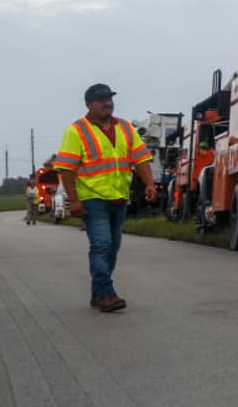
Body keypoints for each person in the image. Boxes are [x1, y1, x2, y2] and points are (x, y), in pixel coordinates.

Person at [52, 83, 156, 313]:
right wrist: (75, 201)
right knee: (101, 246)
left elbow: (141, 159)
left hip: (119, 198)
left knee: (112, 249)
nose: (107, 102)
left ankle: (98, 293)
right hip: (92, 198)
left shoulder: (126, 128)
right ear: (89, 105)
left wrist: (149, 183)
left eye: (109, 98)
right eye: (101, 100)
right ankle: (107, 294)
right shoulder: (76, 131)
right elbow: (67, 169)